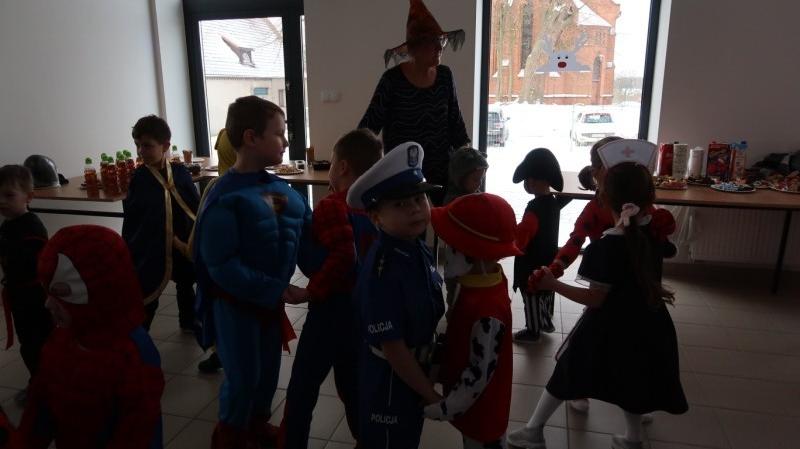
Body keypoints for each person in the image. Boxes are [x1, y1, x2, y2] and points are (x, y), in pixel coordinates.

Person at [507, 141, 688, 449]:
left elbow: (596, 298)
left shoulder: (606, 246)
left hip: (606, 324)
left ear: (604, 193)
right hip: (649, 322)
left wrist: (553, 283)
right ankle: (632, 438)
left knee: (566, 372)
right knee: (633, 378)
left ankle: (534, 431)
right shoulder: (653, 233)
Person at [193, 95, 312, 448]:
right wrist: (276, 289)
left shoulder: (281, 192)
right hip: (235, 307)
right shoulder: (224, 197)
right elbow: (221, 266)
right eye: (279, 133)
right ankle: (231, 438)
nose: (286, 142)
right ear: (250, 137)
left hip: (268, 305)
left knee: (267, 376)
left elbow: (301, 237)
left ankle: (256, 429)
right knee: (243, 378)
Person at [545, 136, 676, 414]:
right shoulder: (599, 209)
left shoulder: (640, 210)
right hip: (610, 280)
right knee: (596, 350)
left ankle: (630, 406)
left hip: (627, 288)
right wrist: (556, 267)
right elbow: (575, 241)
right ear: (598, 174)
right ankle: (584, 392)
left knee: (615, 353)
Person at [5, 225, 165, 449]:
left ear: (101, 292)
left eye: (62, 293)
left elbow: (138, 432)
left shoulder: (133, 354)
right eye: (47, 292)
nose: (48, 304)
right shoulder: (60, 340)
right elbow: (41, 407)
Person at [281, 129, 383, 448]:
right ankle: (367, 439)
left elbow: (343, 256)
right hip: (361, 310)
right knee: (353, 385)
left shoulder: (332, 206)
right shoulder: (377, 206)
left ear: (341, 167)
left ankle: (293, 442)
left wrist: (309, 291)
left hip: (330, 310)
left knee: (303, 386)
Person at [347, 142, 445, 449]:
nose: (415, 208)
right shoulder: (383, 270)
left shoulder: (417, 248)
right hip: (389, 381)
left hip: (415, 372)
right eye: (400, 204)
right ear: (376, 217)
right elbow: (393, 348)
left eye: (419, 198)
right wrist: (429, 393)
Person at [424, 193, 520, 449]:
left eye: (452, 246)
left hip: (482, 411)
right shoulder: (483, 282)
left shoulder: (488, 311)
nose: (447, 252)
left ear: (473, 254)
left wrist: (446, 408)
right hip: (474, 405)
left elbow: (479, 372)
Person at [358, 0, 469, 206]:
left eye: (441, 41)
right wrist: (361, 169)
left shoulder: (445, 76)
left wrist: (468, 159)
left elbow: (456, 124)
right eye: (432, 42)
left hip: (442, 173)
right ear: (414, 48)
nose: (439, 47)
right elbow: (368, 129)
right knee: (410, 221)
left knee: (442, 220)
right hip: (403, 174)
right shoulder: (392, 80)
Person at [122, 115, 200, 331]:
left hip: (182, 242)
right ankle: (139, 338)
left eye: (147, 145)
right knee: (148, 292)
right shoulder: (140, 178)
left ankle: (188, 320)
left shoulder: (180, 172)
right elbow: (136, 219)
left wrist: (188, 239)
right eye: (137, 145)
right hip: (153, 246)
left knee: (186, 282)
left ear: (165, 146)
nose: (141, 151)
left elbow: (193, 206)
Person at [0, 165, 52, 406]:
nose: (2, 201)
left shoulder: (32, 228)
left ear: (28, 197)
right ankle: (39, 382)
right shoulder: (8, 225)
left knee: (40, 342)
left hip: (35, 297)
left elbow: (33, 264)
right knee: (28, 343)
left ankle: (46, 386)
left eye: (9, 195)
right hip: (18, 295)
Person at [511, 149, 571, 342]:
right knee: (544, 292)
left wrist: (511, 243)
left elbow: (523, 238)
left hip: (531, 263)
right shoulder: (553, 203)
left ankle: (533, 330)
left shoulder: (534, 208)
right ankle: (545, 321)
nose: (526, 184)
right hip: (548, 259)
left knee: (531, 295)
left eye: (528, 180)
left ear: (534, 181)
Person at [441, 148, 488, 311]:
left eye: (481, 179)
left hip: (473, 260)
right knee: (456, 298)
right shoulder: (453, 202)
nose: (479, 184)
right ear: (460, 178)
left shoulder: (475, 193)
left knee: (472, 297)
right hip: (457, 263)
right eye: (476, 179)